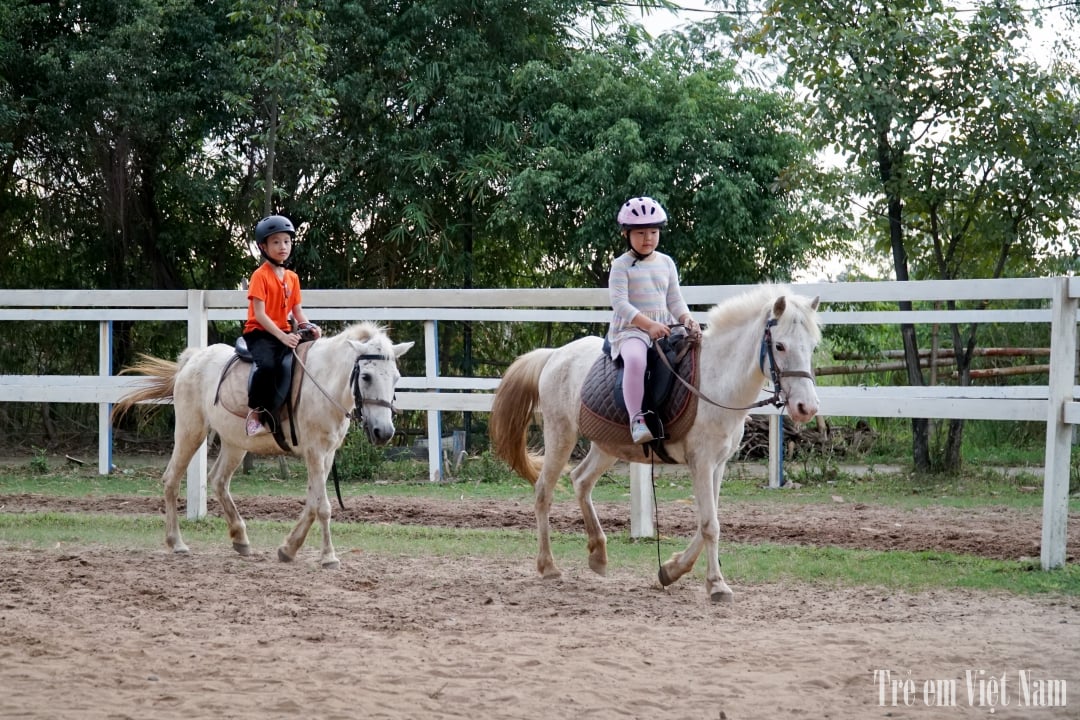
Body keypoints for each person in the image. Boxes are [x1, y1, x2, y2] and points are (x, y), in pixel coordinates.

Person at [607, 196, 701, 444]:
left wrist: (687, 318)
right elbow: (620, 304)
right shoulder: (621, 266)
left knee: (697, 352)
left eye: (653, 231)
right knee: (636, 361)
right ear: (626, 235)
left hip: (666, 327)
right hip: (631, 330)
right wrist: (648, 326)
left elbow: (674, 300)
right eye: (640, 233)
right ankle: (637, 419)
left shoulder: (666, 263)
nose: (648, 238)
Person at [242, 214, 321, 436]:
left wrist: (308, 326)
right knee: (267, 366)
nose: (282, 246)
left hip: (284, 331)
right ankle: (254, 414)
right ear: (263, 247)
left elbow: (297, 311)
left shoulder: (292, 278)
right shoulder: (260, 276)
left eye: (286, 241)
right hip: (260, 332)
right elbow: (260, 314)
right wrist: (283, 337)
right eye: (275, 242)